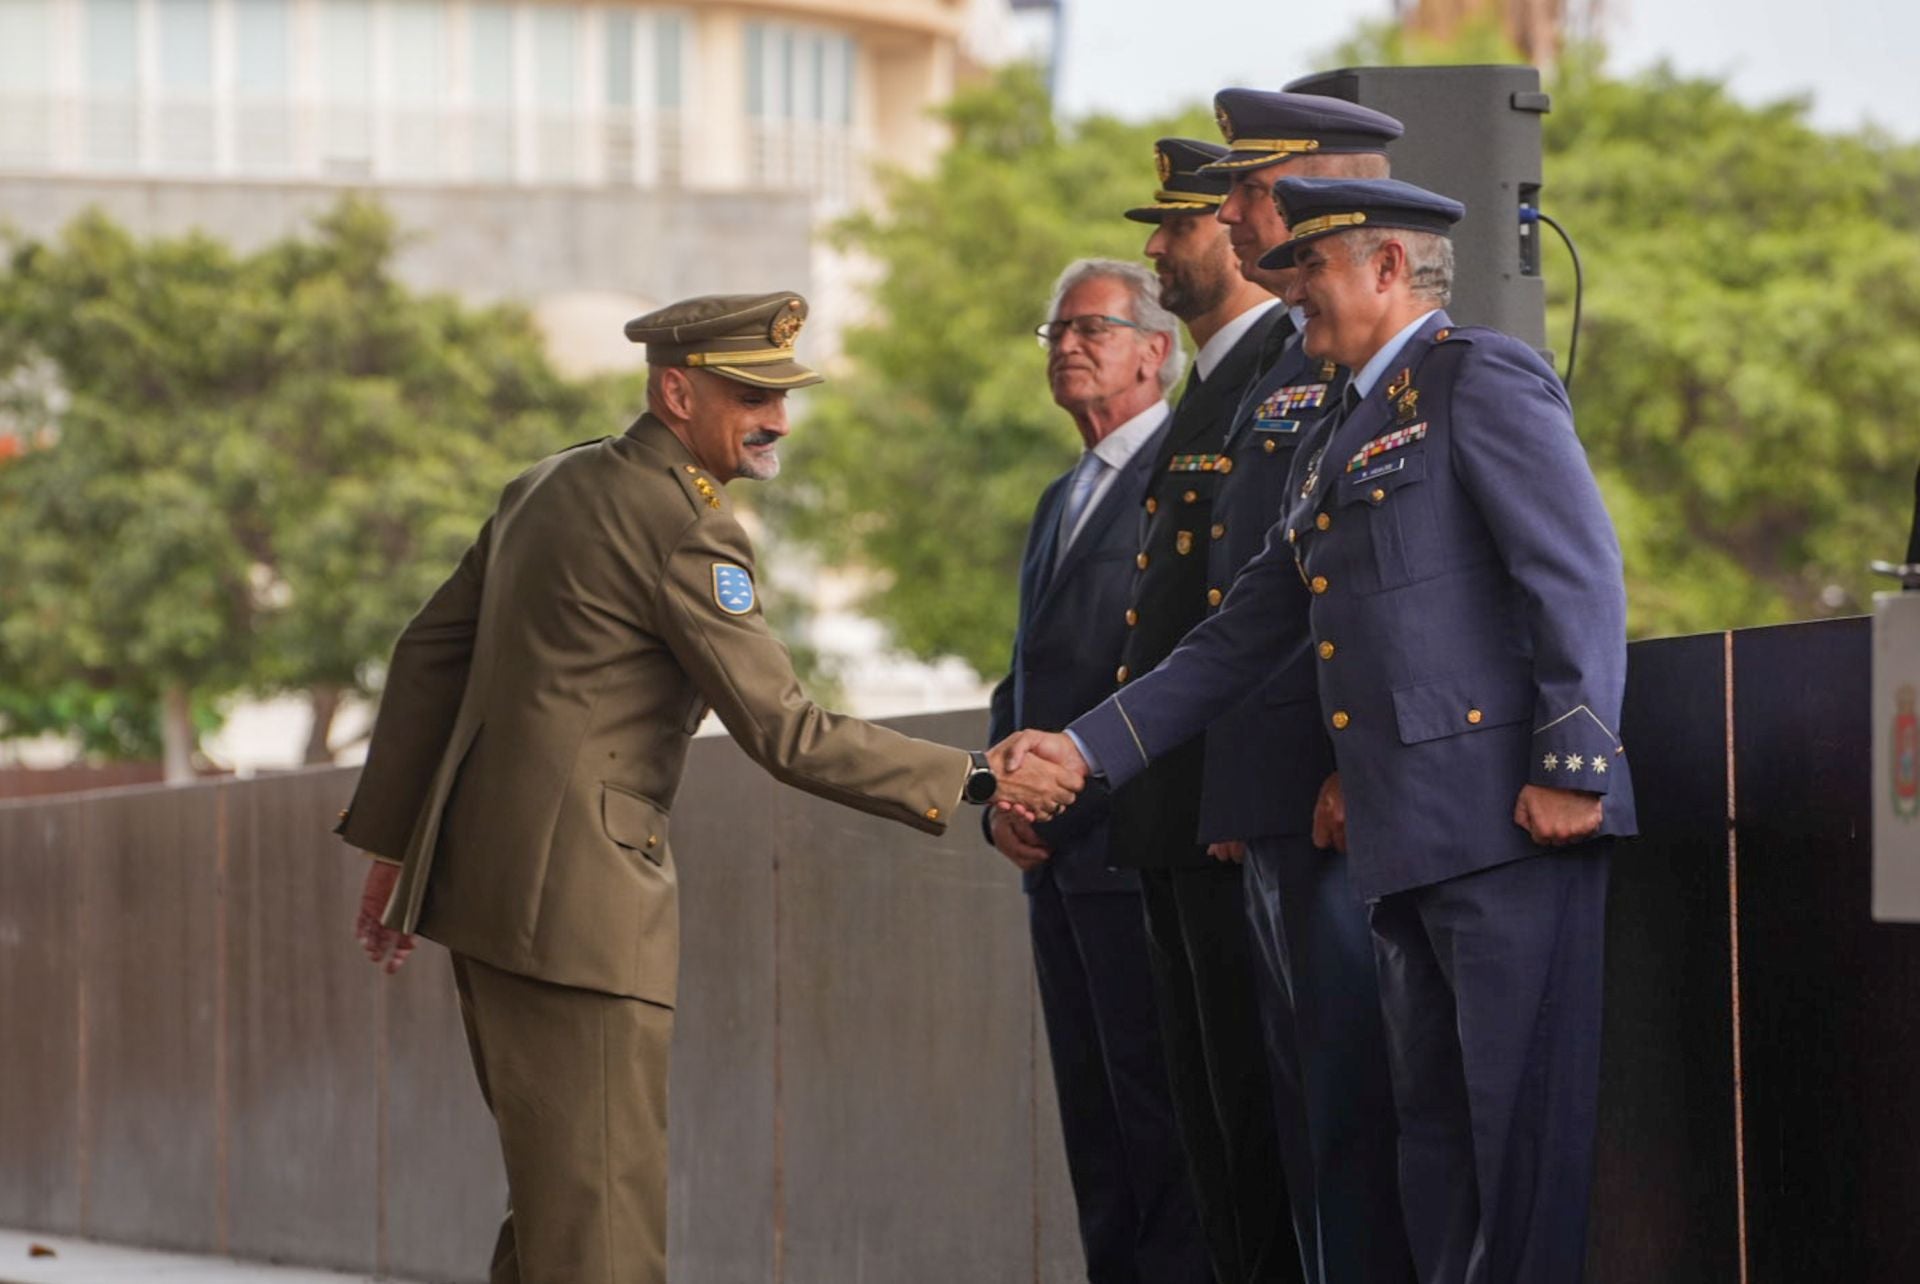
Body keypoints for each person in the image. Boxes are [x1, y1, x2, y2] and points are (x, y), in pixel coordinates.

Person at [338, 291, 1082, 1284]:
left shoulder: (547, 484)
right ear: (676, 391)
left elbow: (428, 654)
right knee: (600, 1230)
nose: (775, 419)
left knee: (557, 1209)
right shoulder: (686, 526)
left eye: (782, 395)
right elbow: (785, 730)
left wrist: (398, 854)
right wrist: (982, 775)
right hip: (581, 917)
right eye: (749, 395)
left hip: (486, 898)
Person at [1002, 178, 1637, 1284]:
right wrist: (1085, 749)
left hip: (1511, 829)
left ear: (1388, 269)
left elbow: (1575, 574)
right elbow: (1240, 633)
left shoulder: (1479, 376)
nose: (1294, 299)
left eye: (1313, 274)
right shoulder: (1335, 431)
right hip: (1405, 843)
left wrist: (1573, 764)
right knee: (1436, 1157)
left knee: (1517, 1157)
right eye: (1287, 277)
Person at [1193, 89, 1416, 1284]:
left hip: (1343, 801)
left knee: (1359, 1117)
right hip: (1278, 795)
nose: (1231, 213)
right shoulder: (1287, 359)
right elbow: (1255, 598)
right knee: (1300, 1121)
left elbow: (1376, 603)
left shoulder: (1406, 365)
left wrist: (1347, 762)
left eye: (1250, 188)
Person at [985, 259, 1211, 1284]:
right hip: (1055, 855)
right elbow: (1030, 667)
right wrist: (999, 795)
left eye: (1095, 330)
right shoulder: (1059, 496)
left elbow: (1189, 657)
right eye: (1057, 333)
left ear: (1155, 351)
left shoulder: (1189, 471)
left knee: (1161, 1118)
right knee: (1094, 1123)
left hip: (1142, 838)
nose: (1069, 346)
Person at [1113, 135, 1300, 1284]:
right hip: (1173, 805)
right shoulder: (1215, 388)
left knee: (1261, 1112)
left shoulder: (1285, 369)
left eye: (1176, 224)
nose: (1162, 246)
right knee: (1210, 1117)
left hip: (1232, 806)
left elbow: (1274, 605)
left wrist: (1248, 775)